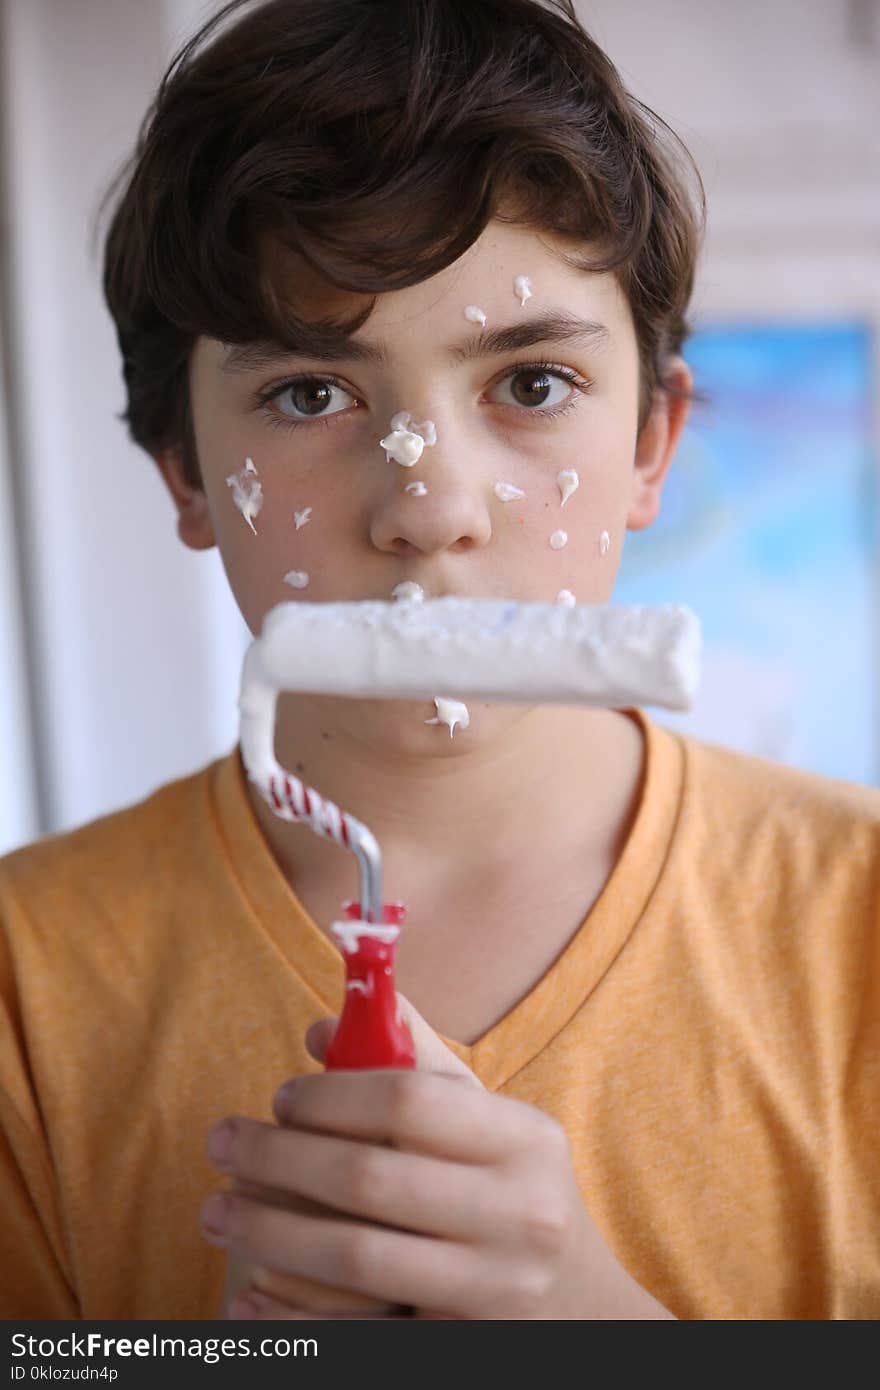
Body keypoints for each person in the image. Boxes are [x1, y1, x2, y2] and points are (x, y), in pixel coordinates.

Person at [1, 0, 877, 1321]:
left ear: (651, 442)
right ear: (185, 470)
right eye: (310, 392)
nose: (430, 508)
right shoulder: (24, 983)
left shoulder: (857, 928)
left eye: (528, 384)